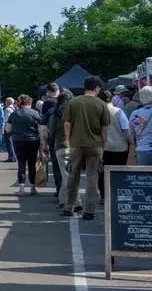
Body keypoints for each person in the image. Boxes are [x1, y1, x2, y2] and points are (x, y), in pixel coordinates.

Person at [61, 76, 110, 220]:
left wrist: (67, 140)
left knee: (73, 175)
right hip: (95, 145)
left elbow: (67, 124)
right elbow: (105, 128)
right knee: (92, 178)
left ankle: (69, 207)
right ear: (97, 88)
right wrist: (103, 144)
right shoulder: (101, 104)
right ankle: (89, 210)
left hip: (76, 144)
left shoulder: (73, 102)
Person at [98, 90, 133, 201]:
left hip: (103, 148)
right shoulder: (119, 112)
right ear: (112, 99)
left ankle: (104, 195)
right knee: (119, 173)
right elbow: (126, 130)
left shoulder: (97, 113)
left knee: (102, 174)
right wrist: (132, 143)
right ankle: (118, 194)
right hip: (120, 148)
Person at [6, 94, 42, 196]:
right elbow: (41, 129)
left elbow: (8, 129)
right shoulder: (35, 113)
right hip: (33, 141)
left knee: (21, 164)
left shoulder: (14, 114)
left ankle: (21, 188)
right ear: (30, 103)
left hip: (18, 141)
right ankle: (33, 187)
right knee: (32, 164)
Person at [49, 89, 75, 210]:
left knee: (66, 175)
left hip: (60, 146)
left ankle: (65, 200)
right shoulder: (75, 112)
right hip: (75, 146)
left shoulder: (55, 113)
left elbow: (51, 132)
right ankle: (71, 202)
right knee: (70, 175)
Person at [39, 83, 62, 193]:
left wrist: (43, 143)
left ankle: (59, 189)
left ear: (48, 91)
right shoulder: (65, 101)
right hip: (66, 137)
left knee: (56, 164)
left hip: (52, 135)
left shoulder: (47, 103)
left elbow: (43, 124)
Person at [2, 97, 17, 163]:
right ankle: (13, 156)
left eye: (6, 101)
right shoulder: (14, 108)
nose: (5, 102)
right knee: (12, 142)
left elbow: (7, 120)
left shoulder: (7, 109)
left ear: (8, 102)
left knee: (8, 143)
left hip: (8, 128)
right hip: (14, 128)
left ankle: (11, 157)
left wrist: (4, 128)